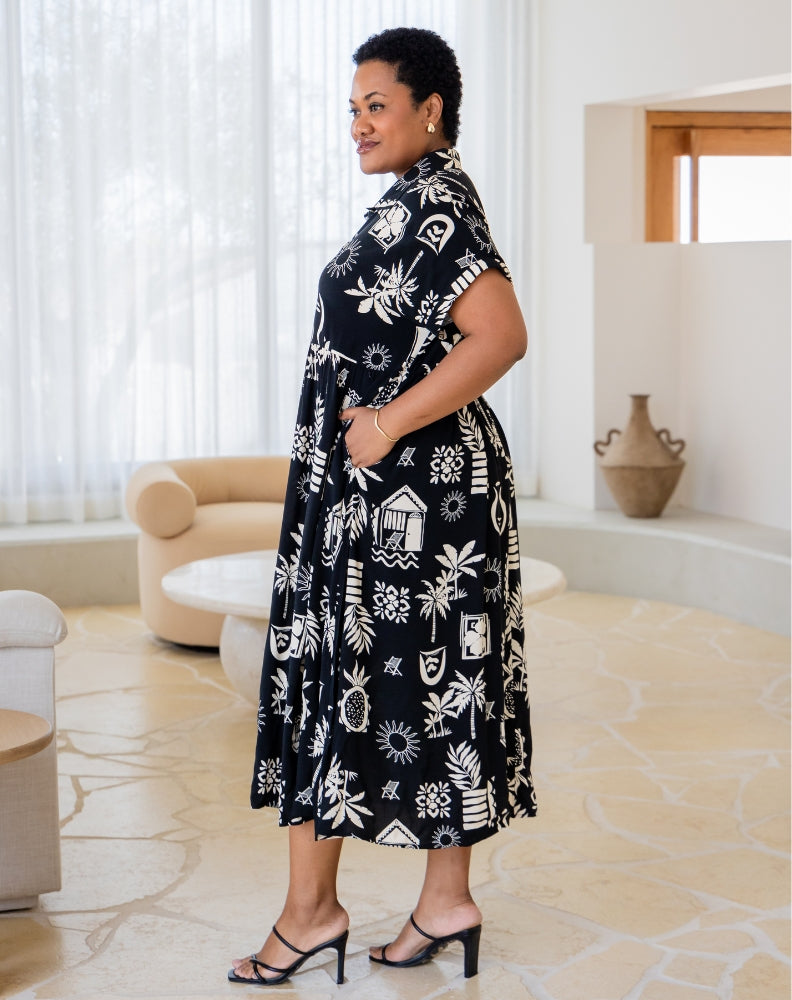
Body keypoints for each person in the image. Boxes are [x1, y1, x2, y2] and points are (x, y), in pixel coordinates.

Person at [230, 26, 536, 987]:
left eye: (376, 105)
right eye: (352, 108)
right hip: (398, 491)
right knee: (432, 693)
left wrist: (387, 424)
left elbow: (502, 335)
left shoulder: (435, 206)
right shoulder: (416, 201)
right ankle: (444, 901)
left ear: (429, 109)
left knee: (353, 686)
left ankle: (309, 914)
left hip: (413, 496)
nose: (357, 125)